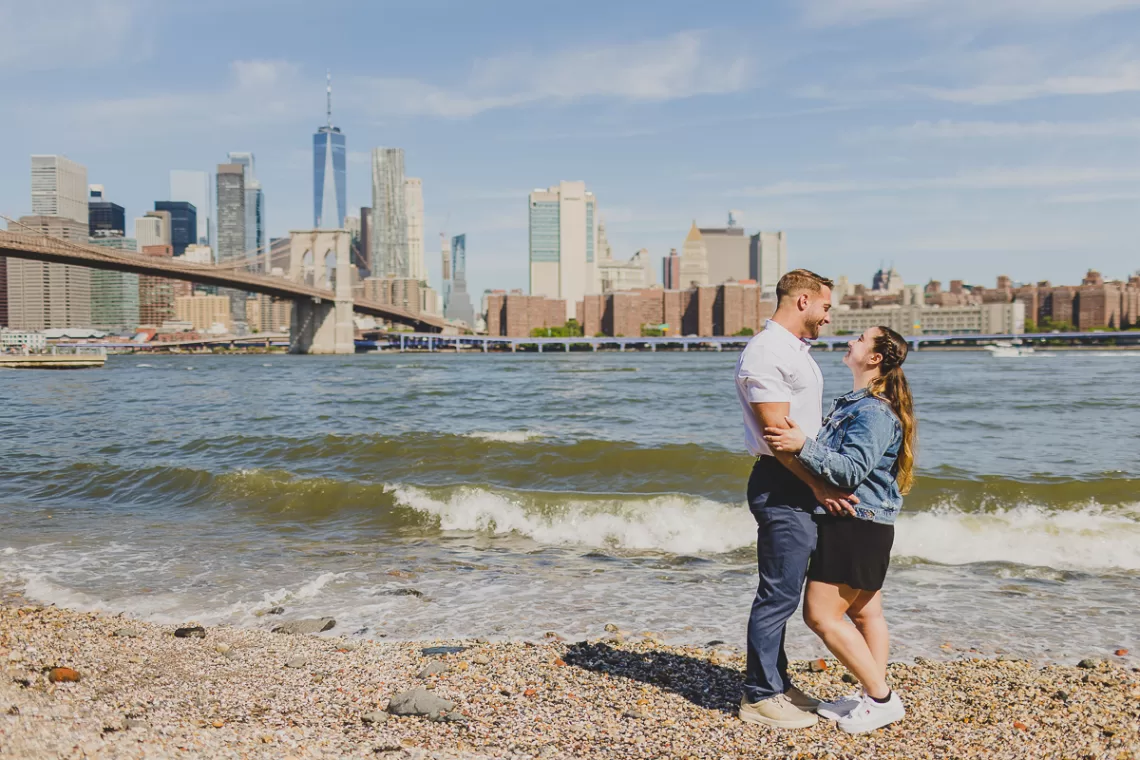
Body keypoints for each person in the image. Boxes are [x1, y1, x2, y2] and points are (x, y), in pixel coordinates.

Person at [763, 325, 917, 735]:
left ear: (875, 359)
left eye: (861, 339)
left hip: (855, 522)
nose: (851, 341)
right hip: (867, 524)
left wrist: (801, 444)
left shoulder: (871, 411)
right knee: (866, 613)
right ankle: (872, 699)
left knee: (820, 616)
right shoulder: (862, 405)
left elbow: (850, 471)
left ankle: (882, 698)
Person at [734, 269, 860, 729]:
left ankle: (778, 683)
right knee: (777, 595)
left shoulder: (793, 351)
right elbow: (776, 436)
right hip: (784, 483)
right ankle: (759, 696)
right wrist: (818, 486)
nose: (828, 317)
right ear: (804, 300)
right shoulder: (767, 352)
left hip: (799, 481)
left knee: (785, 593)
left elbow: (800, 428)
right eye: (826, 307)